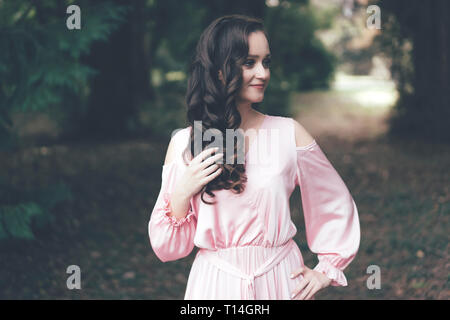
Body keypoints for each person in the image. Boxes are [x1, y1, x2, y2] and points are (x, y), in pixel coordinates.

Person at [148, 14, 360, 300]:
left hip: (281, 280)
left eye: (266, 61)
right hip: (214, 285)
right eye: (249, 63)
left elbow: (333, 200)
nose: (263, 73)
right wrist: (183, 192)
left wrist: (328, 268)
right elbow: (168, 248)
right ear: (220, 69)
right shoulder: (185, 143)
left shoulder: (289, 133)